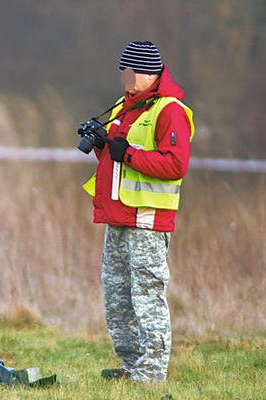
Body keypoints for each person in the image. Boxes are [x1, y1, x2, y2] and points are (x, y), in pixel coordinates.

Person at [81, 40, 194, 382]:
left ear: (149, 73)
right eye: (123, 72)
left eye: (131, 73)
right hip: (118, 217)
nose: (126, 80)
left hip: (147, 219)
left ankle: (152, 371)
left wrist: (126, 154)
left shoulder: (169, 110)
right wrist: (102, 142)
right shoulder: (124, 105)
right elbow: (116, 157)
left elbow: (176, 164)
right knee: (117, 299)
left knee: (146, 296)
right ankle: (133, 366)